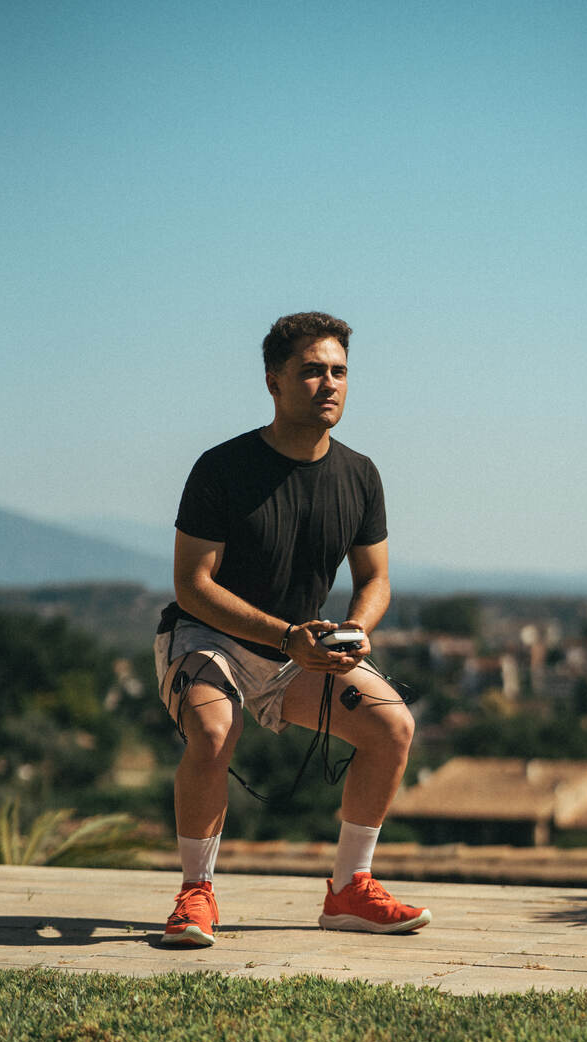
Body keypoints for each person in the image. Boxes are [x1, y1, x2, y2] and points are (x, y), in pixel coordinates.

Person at [153, 311, 431, 945]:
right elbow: (192, 583)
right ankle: (195, 896)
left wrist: (356, 631)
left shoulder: (360, 474)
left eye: (338, 371)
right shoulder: (221, 468)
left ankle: (349, 891)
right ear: (274, 381)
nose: (328, 383)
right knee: (214, 730)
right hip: (208, 639)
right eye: (310, 371)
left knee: (392, 725)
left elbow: (375, 580)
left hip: (300, 653)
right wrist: (286, 638)